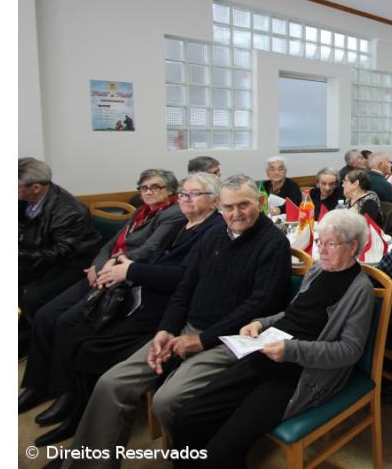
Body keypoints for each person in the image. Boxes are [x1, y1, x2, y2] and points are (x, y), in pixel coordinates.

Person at [66, 175, 291, 467]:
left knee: (167, 401)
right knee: (111, 384)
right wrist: (165, 330)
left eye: (244, 205)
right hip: (185, 330)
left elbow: (259, 305)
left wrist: (201, 340)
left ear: (260, 203)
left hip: (229, 339)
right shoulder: (213, 234)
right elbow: (185, 289)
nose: (236, 213)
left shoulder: (273, 243)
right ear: (219, 207)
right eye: (228, 207)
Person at [26, 173, 225, 446]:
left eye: (194, 194)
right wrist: (119, 267)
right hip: (143, 298)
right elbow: (150, 257)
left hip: (166, 311)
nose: (185, 199)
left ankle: (80, 422)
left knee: (90, 348)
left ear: (214, 201)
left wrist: (129, 271)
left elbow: (184, 277)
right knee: (75, 334)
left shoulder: (213, 230)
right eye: (183, 193)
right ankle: (73, 410)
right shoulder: (182, 223)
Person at [170, 210, 375, 468]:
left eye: (331, 244)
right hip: (267, 352)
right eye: (319, 242)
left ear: (353, 246)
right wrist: (261, 323)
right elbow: (291, 314)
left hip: (301, 374)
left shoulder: (361, 290)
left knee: (221, 452)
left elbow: (350, 350)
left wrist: (291, 350)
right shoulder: (317, 270)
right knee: (187, 418)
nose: (321, 250)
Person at [23, 168, 185, 413]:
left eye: (155, 187)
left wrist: (110, 266)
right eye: (144, 187)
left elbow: (148, 250)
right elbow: (110, 243)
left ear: (170, 190)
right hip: (104, 271)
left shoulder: (173, 213)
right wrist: (98, 266)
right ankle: (36, 385)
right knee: (46, 315)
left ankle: (64, 391)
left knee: (66, 322)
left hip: (123, 277)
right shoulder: (142, 211)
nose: (148, 192)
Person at [19, 158, 103, 360]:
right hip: (39, 255)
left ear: (36, 188)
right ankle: (26, 337)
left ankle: (40, 343)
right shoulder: (23, 200)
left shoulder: (69, 210)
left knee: (33, 295)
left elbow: (60, 253)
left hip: (72, 263)